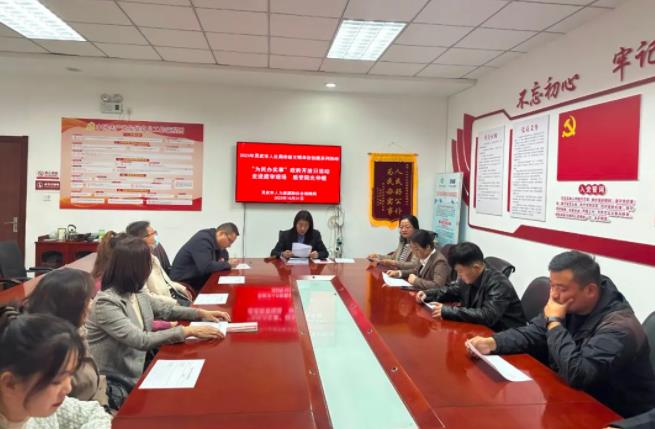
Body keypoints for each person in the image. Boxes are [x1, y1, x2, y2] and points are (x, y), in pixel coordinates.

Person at [467, 251, 655, 418]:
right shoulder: (569, 303)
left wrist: (555, 322)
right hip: (572, 400)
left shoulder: (619, 327)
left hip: (614, 414)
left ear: (590, 290)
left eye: (562, 288)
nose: (554, 295)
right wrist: (493, 342)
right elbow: (534, 332)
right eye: (552, 286)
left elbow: (579, 373)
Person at [86, 237, 231, 410]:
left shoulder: (136, 292)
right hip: (118, 382)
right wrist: (187, 331)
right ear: (136, 268)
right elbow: (140, 340)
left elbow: (166, 310)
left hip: (142, 367)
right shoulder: (107, 303)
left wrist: (200, 314)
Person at [0, 307, 112, 428]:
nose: (68, 388)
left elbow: (95, 412)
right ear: (10, 383)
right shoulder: (38, 405)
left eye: (70, 374)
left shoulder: (43, 407)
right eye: (57, 381)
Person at [24, 268, 108, 407]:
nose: (91, 305)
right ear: (71, 307)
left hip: (98, 404)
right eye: (88, 300)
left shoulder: (77, 331)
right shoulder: (48, 352)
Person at [415, 242, 525, 331]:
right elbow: (453, 290)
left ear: (476, 267)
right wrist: (428, 294)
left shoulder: (499, 283)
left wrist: (448, 311)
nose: (458, 275)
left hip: (504, 334)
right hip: (480, 329)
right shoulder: (470, 276)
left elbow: (488, 316)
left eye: (460, 271)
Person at [126, 221, 193, 306]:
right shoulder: (136, 265)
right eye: (153, 233)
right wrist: (173, 303)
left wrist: (182, 288)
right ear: (142, 239)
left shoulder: (152, 258)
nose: (156, 236)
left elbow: (166, 282)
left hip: (172, 298)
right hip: (164, 306)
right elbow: (147, 296)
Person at [170, 222, 240, 291]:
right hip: (184, 285)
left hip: (198, 280)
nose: (229, 245)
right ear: (221, 233)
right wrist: (227, 264)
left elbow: (224, 256)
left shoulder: (215, 241)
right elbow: (206, 267)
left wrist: (224, 263)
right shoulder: (202, 240)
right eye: (229, 241)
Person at [385, 229, 450, 290]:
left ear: (427, 247)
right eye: (412, 248)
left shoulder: (439, 261)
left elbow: (438, 285)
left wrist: (416, 281)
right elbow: (416, 271)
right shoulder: (423, 256)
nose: (414, 252)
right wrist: (399, 273)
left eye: (416, 249)